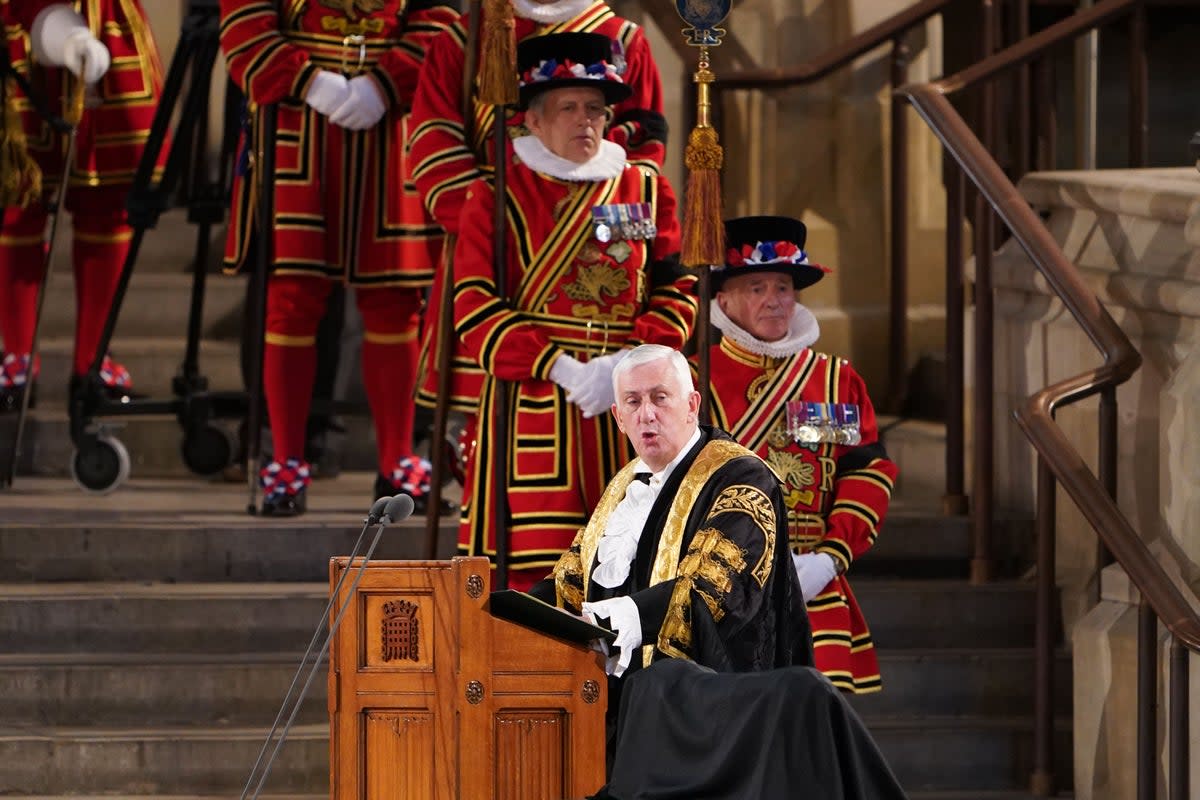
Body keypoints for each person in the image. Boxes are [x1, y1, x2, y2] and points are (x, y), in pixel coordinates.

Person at [530, 344, 907, 798]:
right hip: (626, 717)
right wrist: (502, 613)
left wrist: (618, 618)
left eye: (660, 398)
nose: (647, 414)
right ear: (617, 417)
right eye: (633, 402)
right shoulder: (624, 485)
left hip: (718, 725)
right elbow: (570, 581)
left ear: (691, 404)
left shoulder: (744, 478)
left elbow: (714, 590)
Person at [451, 32, 696, 590]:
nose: (585, 120)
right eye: (568, 108)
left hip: (633, 403)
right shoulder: (497, 192)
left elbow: (676, 287)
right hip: (538, 398)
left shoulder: (645, 187)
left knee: (639, 555)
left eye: (595, 108)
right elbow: (473, 304)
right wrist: (560, 367)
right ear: (533, 121)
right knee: (543, 565)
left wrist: (627, 363)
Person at [218, 0, 458, 515]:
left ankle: (396, 460)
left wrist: (385, 83)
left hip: (390, 127)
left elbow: (439, 18)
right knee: (292, 299)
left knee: (394, 299)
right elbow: (243, 25)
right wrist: (310, 81)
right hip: (294, 124)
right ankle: (284, 459)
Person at [408, 0, 668, 469]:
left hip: (606, 246)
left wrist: (591, 220)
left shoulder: (623, 39)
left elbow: (645, 147)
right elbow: (432, 140)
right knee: (490, 419)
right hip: (502, 249)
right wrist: (499, 216)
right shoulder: (463, 39)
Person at [705, 215, 898, 693]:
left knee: (813, 729)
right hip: (719, 580)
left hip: (812, 577)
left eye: (784, 286)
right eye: (756, 286)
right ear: (724, 298)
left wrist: (831, 558)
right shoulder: (691, 380)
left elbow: (867, 471)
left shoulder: (837, 380)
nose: (774, 299)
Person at [0, 0, 164, 412]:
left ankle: (92, 360)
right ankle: (17, 357)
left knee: (108, 202)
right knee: (17, 198)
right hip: (16, 24)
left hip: (106, 22)